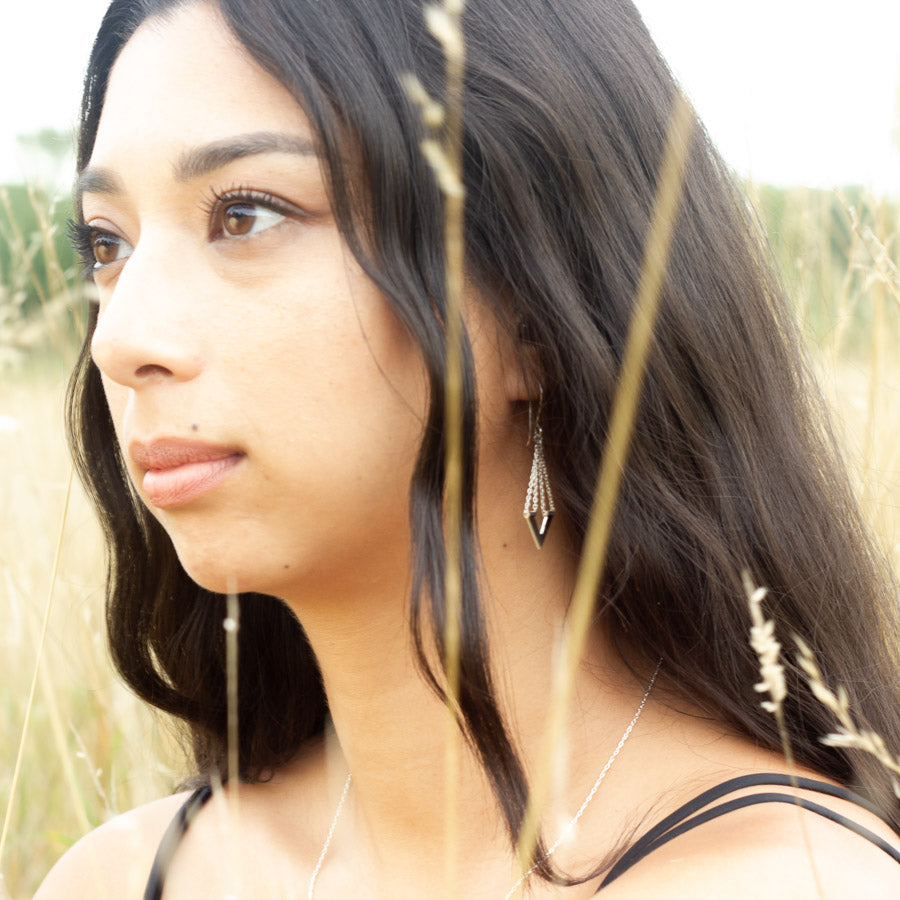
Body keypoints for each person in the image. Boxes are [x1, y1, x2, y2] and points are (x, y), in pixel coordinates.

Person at [37, 0, 900, 896]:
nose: (119, 336)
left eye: (246, 215)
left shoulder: (796, 882)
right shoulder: (124, 878)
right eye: (107, 244)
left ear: (534, 310)